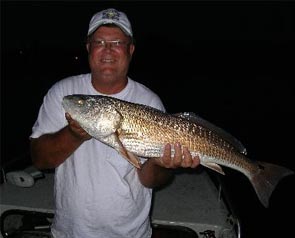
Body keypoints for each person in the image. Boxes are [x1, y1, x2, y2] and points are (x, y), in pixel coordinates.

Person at [30, 8, 200, 238]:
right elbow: (40, 159)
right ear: (88, 48)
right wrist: (75, 134)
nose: (107, 49)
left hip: (130, 233)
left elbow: (149, 180)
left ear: (130, 50)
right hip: (70, 232)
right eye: (99, 41)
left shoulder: (148, 101)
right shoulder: (63, 92)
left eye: (117, 42)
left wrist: (162, 163)